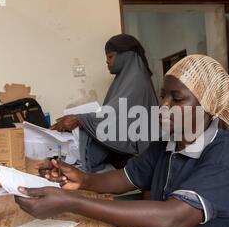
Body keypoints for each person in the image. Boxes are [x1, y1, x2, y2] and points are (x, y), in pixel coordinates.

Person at [15, 55, 229, 227]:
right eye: (163, 96)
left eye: (177, 98)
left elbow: (174, 218)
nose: (163, 106)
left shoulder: (226, 153)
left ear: (208, 107)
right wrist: (82, 180)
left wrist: (73, 202)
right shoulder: (167, 145)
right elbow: (126, 177)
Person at [51, 34, 158, 172]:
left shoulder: (137, 81)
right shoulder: (125, 79)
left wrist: (79, 120)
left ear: (126, 55)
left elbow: (116, 116)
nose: (107, 62)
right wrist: (79, 119)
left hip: (139, 157)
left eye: (110, 56)